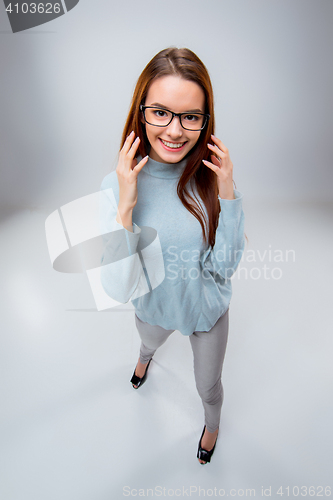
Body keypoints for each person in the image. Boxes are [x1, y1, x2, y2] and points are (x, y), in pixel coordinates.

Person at [99, 47, 246, 464]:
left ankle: (212, 426)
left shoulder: (212, 179)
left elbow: (224, 268)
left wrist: (229, 193)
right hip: (154, 308)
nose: (175, 131)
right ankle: (145, 359)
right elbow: (116, 288)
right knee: (148, 343)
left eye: (190, 116)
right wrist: (125, 206)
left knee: (208, 388)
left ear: (205, 121)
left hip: (206, 314)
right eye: (160, 112)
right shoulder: (115, 185)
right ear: (141, 112)